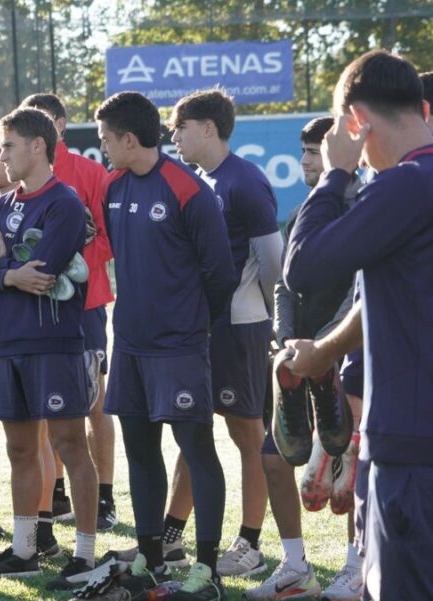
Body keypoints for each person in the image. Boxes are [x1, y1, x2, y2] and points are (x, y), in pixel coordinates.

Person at [282, 50, 433, 601]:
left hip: (414, 445)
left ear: (354, 123)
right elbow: (388, 295)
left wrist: (337, 171)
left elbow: (301, 268)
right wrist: (324, 350)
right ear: (422, 107)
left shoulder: (406, 184)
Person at [96, 91, 236, 599]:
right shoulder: (111, 187)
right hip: (130, 345)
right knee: (140, 453)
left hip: (178, 347)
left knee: (197, 450)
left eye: (107, 139)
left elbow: (220, 273)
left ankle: (207, 569)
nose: (103, 148)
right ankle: (150, 559)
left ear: (129, 139)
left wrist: (191, 324)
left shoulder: (187, 188)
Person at [0, 107, 100, 591]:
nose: (0, 156)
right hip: (4, 343)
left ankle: (84, 555)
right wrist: (6, 273)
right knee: (19, 447)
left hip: (53, 342)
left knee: (69, 445)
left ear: (37, 147)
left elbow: (45, 267)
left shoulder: (64, 203)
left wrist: (6, 267)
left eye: (7, 146)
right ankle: (24, 551)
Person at [157, 88, 282, 577]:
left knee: (248, 434)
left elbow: (274, 261)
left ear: (208, 128)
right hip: (206, 326)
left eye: (181, 128)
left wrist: (263, 316)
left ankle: (250, 544)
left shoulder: (244, 182)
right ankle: (170, 534)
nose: (174, 137)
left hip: (241, 326)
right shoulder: (202, 179)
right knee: (194, 427)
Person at [243, 116, 364, 601]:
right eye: (305, 152)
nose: (305, 162)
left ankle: (356, 567)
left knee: (351, 472)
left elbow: (361, 292)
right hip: (295, 362)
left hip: (345, 364)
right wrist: (288, 338)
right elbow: (283, 285)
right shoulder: (302, 214)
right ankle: (295, 567)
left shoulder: (367, 212)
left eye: (314, 152)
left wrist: (328, 345)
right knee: (274, 459)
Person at [20, 93, 118, 531]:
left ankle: (106, 495)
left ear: (60, 124)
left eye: (44, 122)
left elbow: (110, 238)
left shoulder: (91, 172)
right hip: (33, 308)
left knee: (94, 403)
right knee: (42, 409)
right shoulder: (20, 174)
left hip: (86, 304)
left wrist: (69, 256)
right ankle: (54, 492)